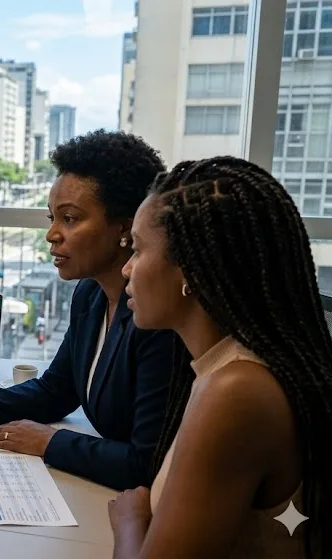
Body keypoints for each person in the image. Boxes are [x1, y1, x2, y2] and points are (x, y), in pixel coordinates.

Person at [0, 130, 189, 490]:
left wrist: (50, 442)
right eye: (52, 218)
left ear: (125, 226)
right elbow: (56, 391)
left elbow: (148, 463)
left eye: (70, 219)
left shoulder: (159, 319)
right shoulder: (90, 295)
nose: (51, 234)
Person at [111, 157, 332, 557]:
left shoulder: (236, 390)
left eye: (139, 250)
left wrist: (130, 520)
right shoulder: (224, 365)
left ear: (190, 273)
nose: (126, 269)